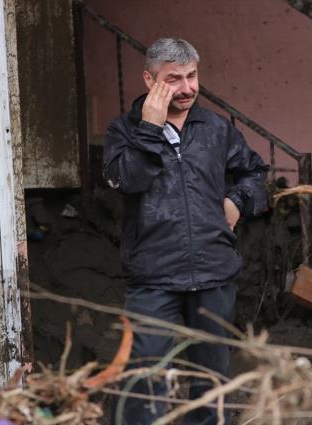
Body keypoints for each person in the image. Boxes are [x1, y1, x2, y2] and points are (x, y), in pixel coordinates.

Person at [102, 38, 269, 425]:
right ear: (149, 79)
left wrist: (237, 201)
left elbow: (254, 171)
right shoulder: (123, 131)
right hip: (153, 274)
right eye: (173, 79)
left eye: (192, 76)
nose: (188, 88)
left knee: (210, 384)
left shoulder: (215, 129)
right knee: (143, 378)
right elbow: (126, 179)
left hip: (213, 270)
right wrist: (150, 127)